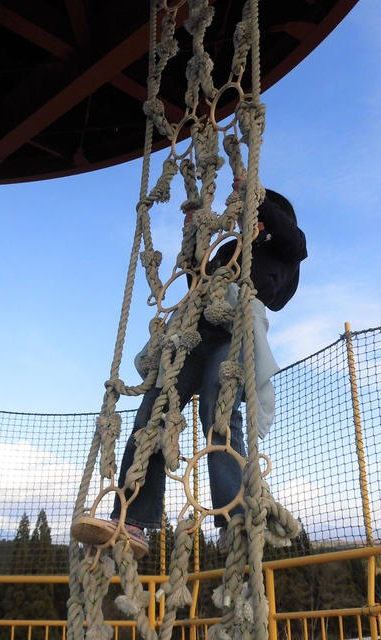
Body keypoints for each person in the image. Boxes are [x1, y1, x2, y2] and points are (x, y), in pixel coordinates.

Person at [71, 186, 307, 558]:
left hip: (238, 328)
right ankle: (131, 519)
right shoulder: (232, 247)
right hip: (199, 331)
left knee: (219, 400)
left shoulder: (282, 248)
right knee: (156, 405)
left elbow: (295, 246)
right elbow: (198, 284)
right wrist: (195, 234)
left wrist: (255, 199)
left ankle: (236, 515)